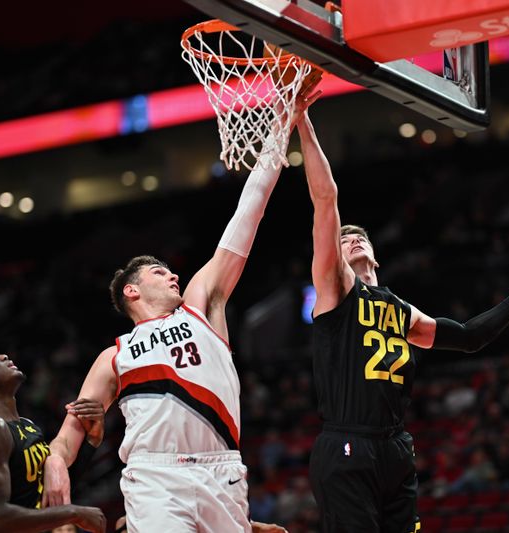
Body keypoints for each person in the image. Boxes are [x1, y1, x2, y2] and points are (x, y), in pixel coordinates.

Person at [42, 88, 322, 533]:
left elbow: (248, 213)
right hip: (155, 475)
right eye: (159, 271)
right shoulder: (115, 355)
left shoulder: (200, 306)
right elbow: (69, 432)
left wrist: (281, 124)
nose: (173, 275)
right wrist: (57, 461)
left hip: (222, 470)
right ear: (131, 291)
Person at [295, 105, 509, 532]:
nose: (350, 239)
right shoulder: (335, 290)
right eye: (344, 238)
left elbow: (468, 337)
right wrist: (303, 120)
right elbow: (325, 197)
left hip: (395, 446)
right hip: (347, 442)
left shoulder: (401, 310)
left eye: (359, 236)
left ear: (376, 254)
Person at [0, 343, 107, 533]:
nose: (2, 356)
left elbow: (47, 494)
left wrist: (91, 441)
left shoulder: (26, 426)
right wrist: (74, 513)